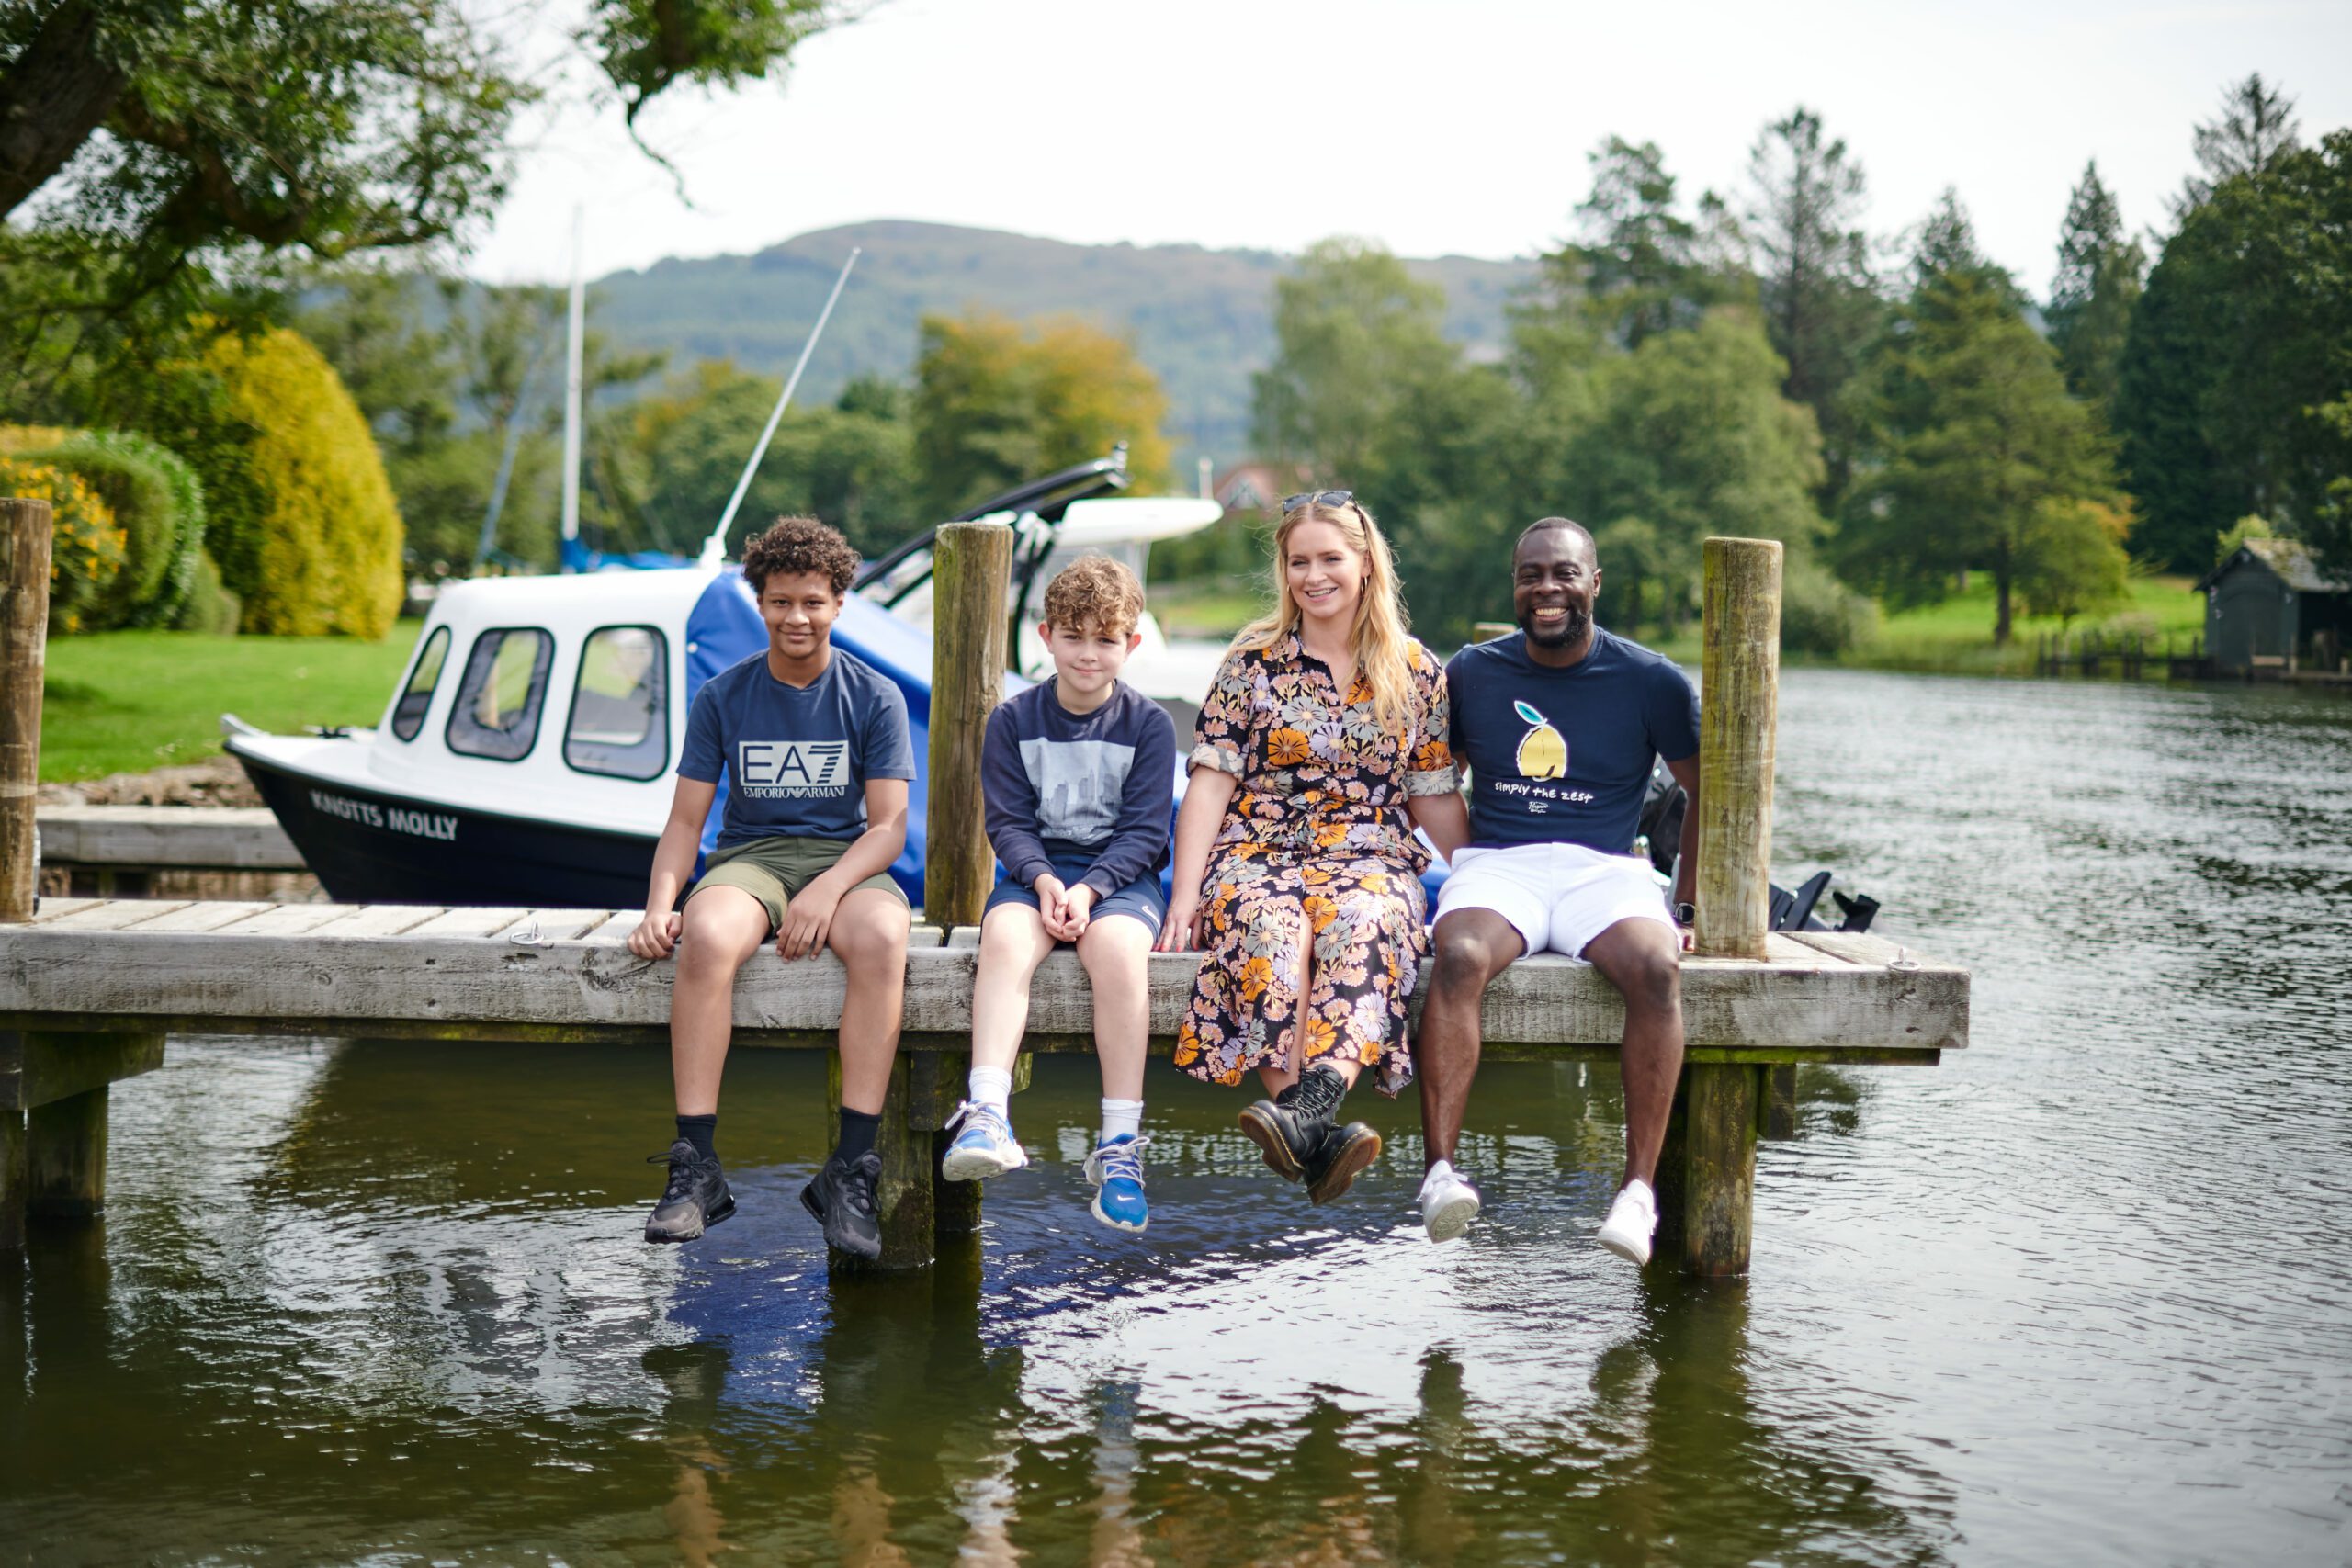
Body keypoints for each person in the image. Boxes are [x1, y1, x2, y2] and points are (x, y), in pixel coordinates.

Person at [1160, 491, 1469, 1203]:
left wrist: (1494, 875)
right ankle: (1317, 1129)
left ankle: (1306, 1110)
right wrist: (1185, 895)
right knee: (1276, 927)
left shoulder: (1416, 670)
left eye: (1330, 558)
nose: (1313, 574)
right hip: (1258, 850)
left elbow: (1432, 792)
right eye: (1298, 561)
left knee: (1364, 921)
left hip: (1371, 856)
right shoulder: (1252, 661)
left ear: (1366, 564)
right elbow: (1208, 785)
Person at [1412, 517, 1701, 1260]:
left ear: (1593, 583)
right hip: (1501, 862)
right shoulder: (1473, 672)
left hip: (1603, 868)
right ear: (1515, 586)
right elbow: (1431, 780)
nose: (1546, 588)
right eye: (1531, 574)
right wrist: (1468, 856)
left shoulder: (1651, 679)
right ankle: (1440, 1172)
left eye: (1564, 573)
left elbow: (1709, 794)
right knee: (1459, 953)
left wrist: (1687, 905)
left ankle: (1637, 1194)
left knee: (1659, 966)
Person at [629, 516, 916, 1260]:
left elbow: (887, 827)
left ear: (839, 604)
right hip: (750, 859)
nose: (797, 616)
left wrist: (828, 888)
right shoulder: (724, 696)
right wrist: (660, 904)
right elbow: (686, 821)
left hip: (845, 861)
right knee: (709, 933)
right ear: (760, 603)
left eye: (813, 601)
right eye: (781, 601)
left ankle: (850, 1169)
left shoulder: (874, 695)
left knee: (887, 937)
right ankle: (696, 1167)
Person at [939, 556, 1176, 1232]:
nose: (1089, 653)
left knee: (1122, 954)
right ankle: (987, 1113)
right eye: (1074, 636)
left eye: (1106, 639)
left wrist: (1091, 889)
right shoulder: (1013, 720)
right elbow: (1007, 822)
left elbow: (1146, 831)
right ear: (1046, 636)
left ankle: (1120, 1145)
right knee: (1007, 940)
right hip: (1032, 874)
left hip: (1120, 880)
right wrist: (1046, 882)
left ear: (1131, 644)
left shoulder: (1151, 726)